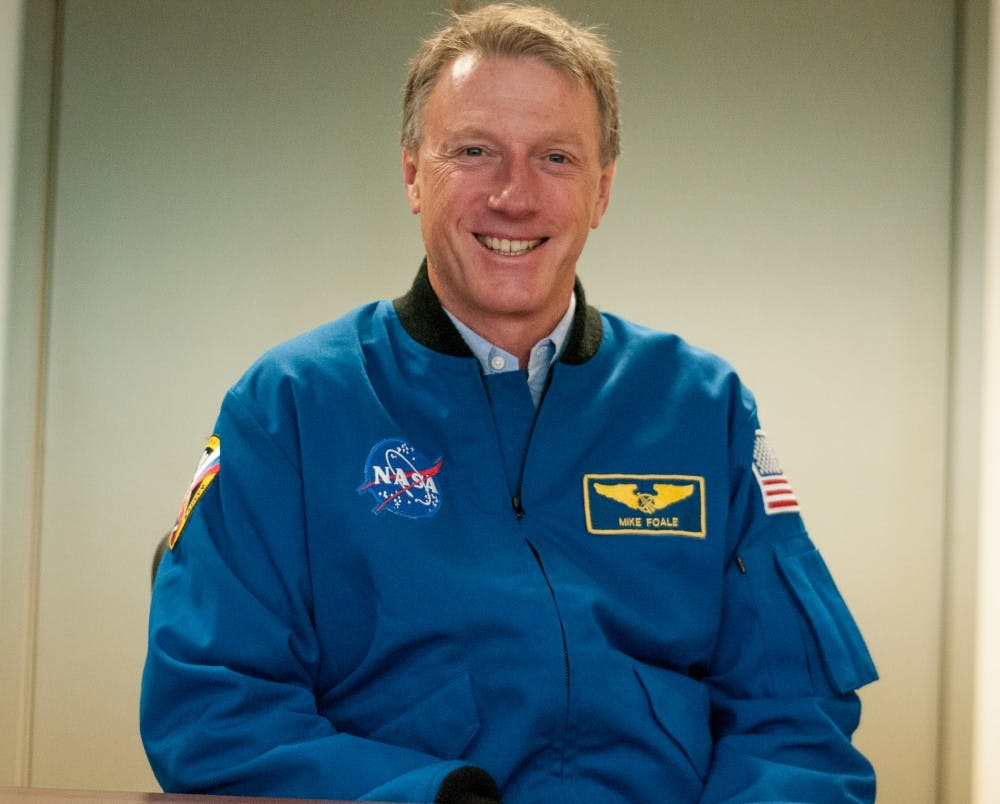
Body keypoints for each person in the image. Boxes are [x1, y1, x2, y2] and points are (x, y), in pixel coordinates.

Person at [140, 4, 878, 802]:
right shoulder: (289, 408)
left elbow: (794, 716)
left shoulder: (704, 409)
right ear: (414, 176)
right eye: (474, 152)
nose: (515, 196)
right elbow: (212, 713)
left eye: (555, 158)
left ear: (601, 191)